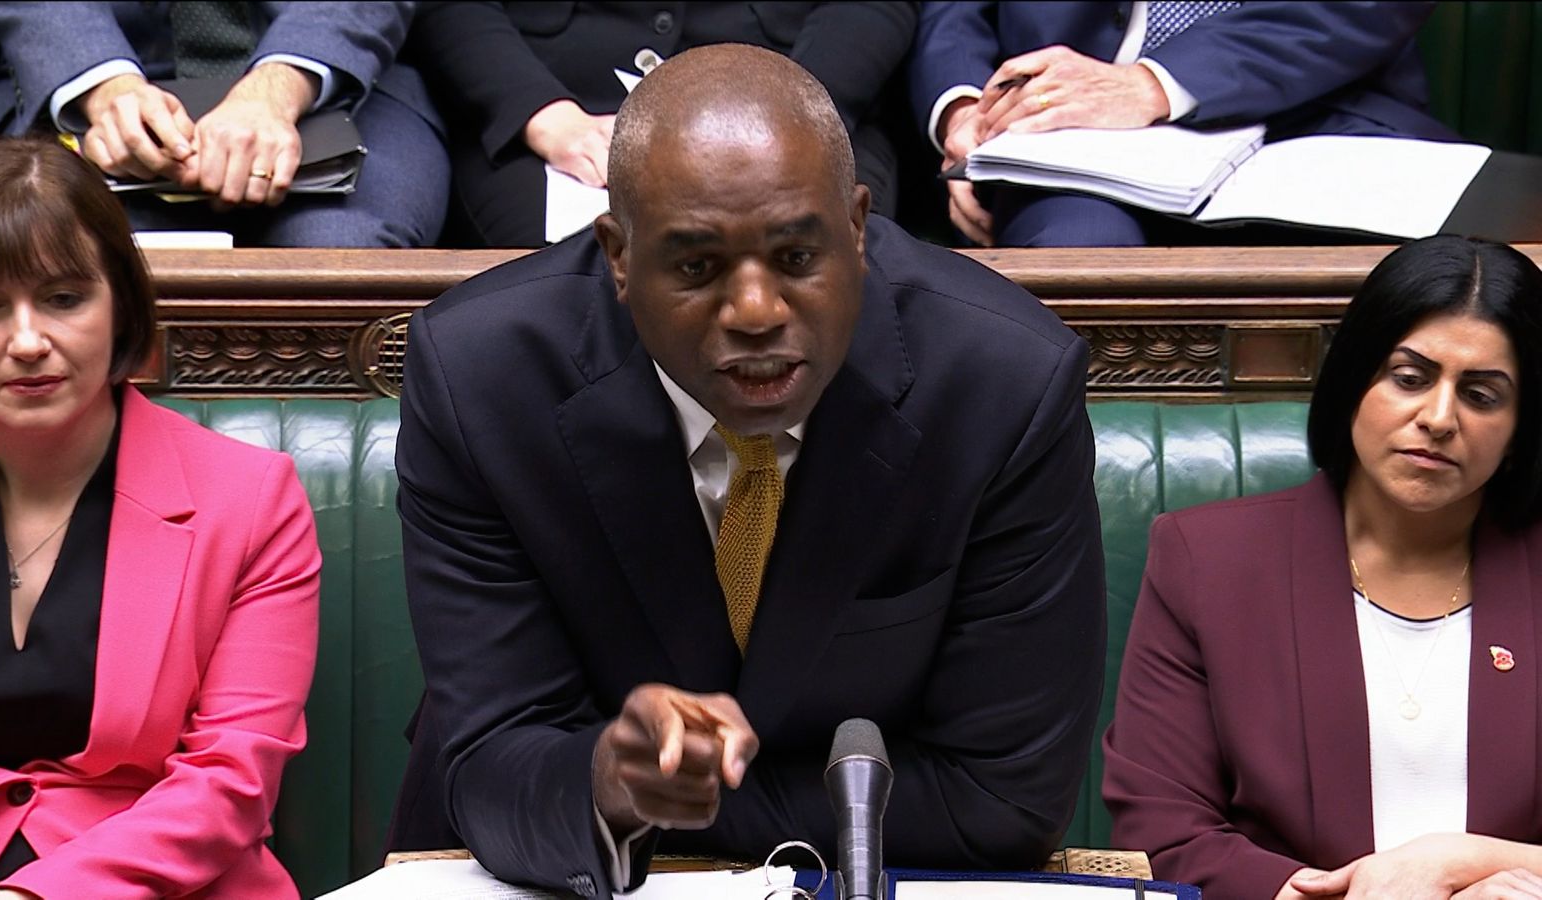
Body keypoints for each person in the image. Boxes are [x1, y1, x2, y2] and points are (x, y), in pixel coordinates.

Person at [388, 43, 1106, 899]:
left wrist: (662, 804)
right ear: (617, 254)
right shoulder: (485, 376)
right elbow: (490, 762)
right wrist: (607, 789)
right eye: (696, 267)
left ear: (858, 228)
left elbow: (1002, 800)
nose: (757, 312)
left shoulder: (1000, 383)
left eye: (799, 258)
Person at [1103, 235, 1542, 898]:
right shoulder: (1209, 562)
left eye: (1482, 395)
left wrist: (1458, 864)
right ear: (1354, 383)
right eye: (1410, 377)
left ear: (1518, 432)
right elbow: (1164, 838)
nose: (1439, 417)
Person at [0, 138, 320, 897]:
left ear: (120, 304)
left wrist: (33, 896)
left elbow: (232, 776)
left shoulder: (251, 501)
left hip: (164, 881)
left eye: (62, 298)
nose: (25, 341)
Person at [908, 2, 1461, 247]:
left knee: (1427, 270)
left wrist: (1153, 84)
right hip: (1073, 137)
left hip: (1325, 110)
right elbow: (957, 11)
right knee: (1081, 252)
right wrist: (967, 111)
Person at [403, 1, 916, 247]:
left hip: (803, 97)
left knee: (823, 260)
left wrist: (788, 117)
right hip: (559, 114)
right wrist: (542, 114)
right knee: (566, 290)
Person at [0, 1, 447, 248]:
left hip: (335, 72)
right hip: (76, 72)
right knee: (71, 253)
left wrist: (277, 88)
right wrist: (104, 85)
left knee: (341, 252)